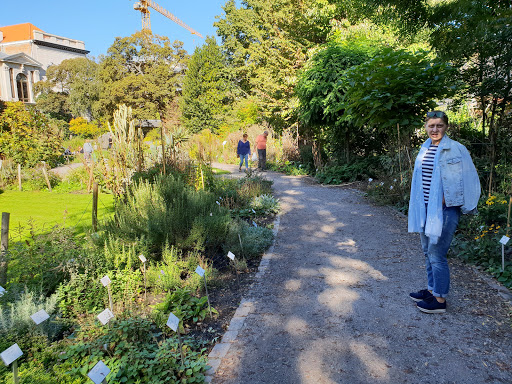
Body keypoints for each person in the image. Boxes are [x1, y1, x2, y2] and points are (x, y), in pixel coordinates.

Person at [408, 111, 480, 314]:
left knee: (436, 254)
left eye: (439, 125)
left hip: (445, 210)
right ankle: (432, 290)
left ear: (446, 127)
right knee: (427, 252)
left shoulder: (456, 149)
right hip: (424, 209)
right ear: (425, 127)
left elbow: (471, 178)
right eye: (431, 125)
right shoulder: (425, 148)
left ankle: (439, 300)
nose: (435, 129)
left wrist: (460, 203)